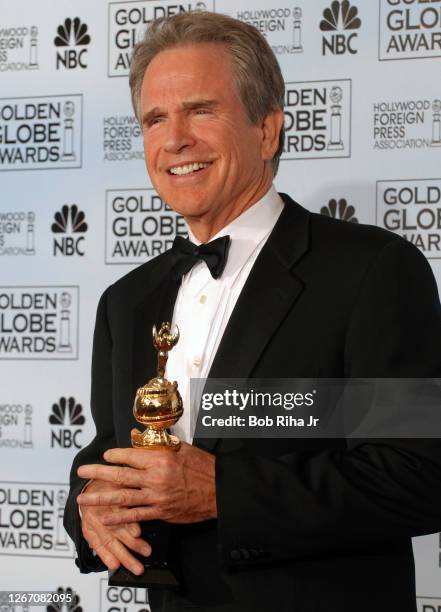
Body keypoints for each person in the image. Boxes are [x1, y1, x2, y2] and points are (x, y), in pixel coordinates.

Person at [64, 11, 441, 612]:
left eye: (201, 110)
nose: (175, 139)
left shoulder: (370, 271)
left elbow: (417, 474)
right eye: (155, 119)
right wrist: (86, 510)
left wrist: (222, 493)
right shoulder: (126, 301)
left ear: (267, 131)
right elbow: (111, 449)